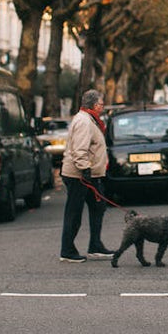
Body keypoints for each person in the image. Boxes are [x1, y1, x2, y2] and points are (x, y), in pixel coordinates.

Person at [59, 89, 113, 262]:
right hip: (79, 175)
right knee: (74, 213)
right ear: (95, 105)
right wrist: (85, 169)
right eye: (102, 104)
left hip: (88, 173)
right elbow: (79, 149)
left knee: (98, 206)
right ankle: (67, 251)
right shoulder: (84, 121)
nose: (103, 107)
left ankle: (95, 246)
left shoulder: (89, 119)